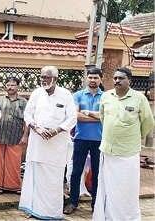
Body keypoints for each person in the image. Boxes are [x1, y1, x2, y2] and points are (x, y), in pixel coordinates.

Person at [93, 67, 154, 220]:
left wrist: (133, 137)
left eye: (121, 78)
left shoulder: (139, 99)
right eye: (115, 78)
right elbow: (102, 117)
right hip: (108, 151)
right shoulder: (106, 96)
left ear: (130, 81)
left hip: (128, 153)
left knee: (126, 190)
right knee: (107, 188)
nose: (117, 81)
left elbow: (148, 122)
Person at [19, 66, 77, 219]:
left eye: (47, 77)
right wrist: (36, 128)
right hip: (37, 142)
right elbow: (27, 114)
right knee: (35, 175)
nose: (44, 80)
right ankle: (33, 209)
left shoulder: (66, 95)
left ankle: (51, 213)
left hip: (56, 144)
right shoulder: (37, 93)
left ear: (55, 79)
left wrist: (56, 131)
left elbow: (72, 118)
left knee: (53, 179)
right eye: (42, 77)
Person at [64, 67, 103, 214]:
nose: (93, 80)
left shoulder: (106, 97)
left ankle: (96, 204)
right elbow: (75, 116)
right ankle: (73, 202)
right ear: (86, 78)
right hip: (80, 139)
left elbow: (106, 116)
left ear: (100, 79)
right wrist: (97, 117)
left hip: (100, 141)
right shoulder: (78, 95)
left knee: (98, 173)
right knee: (76, 171)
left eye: (96, 78)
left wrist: (86, 114)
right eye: (90, 77)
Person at [0, 77, 28, 194]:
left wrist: (25, 135)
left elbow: (28, 120)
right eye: (8, 85)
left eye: (13, 85)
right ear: (5, 86)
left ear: (17, 87)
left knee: (14, 163)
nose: (10, 87)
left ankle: (14, 186)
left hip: (16, 136)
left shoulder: (23, 102)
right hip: (0, 135)